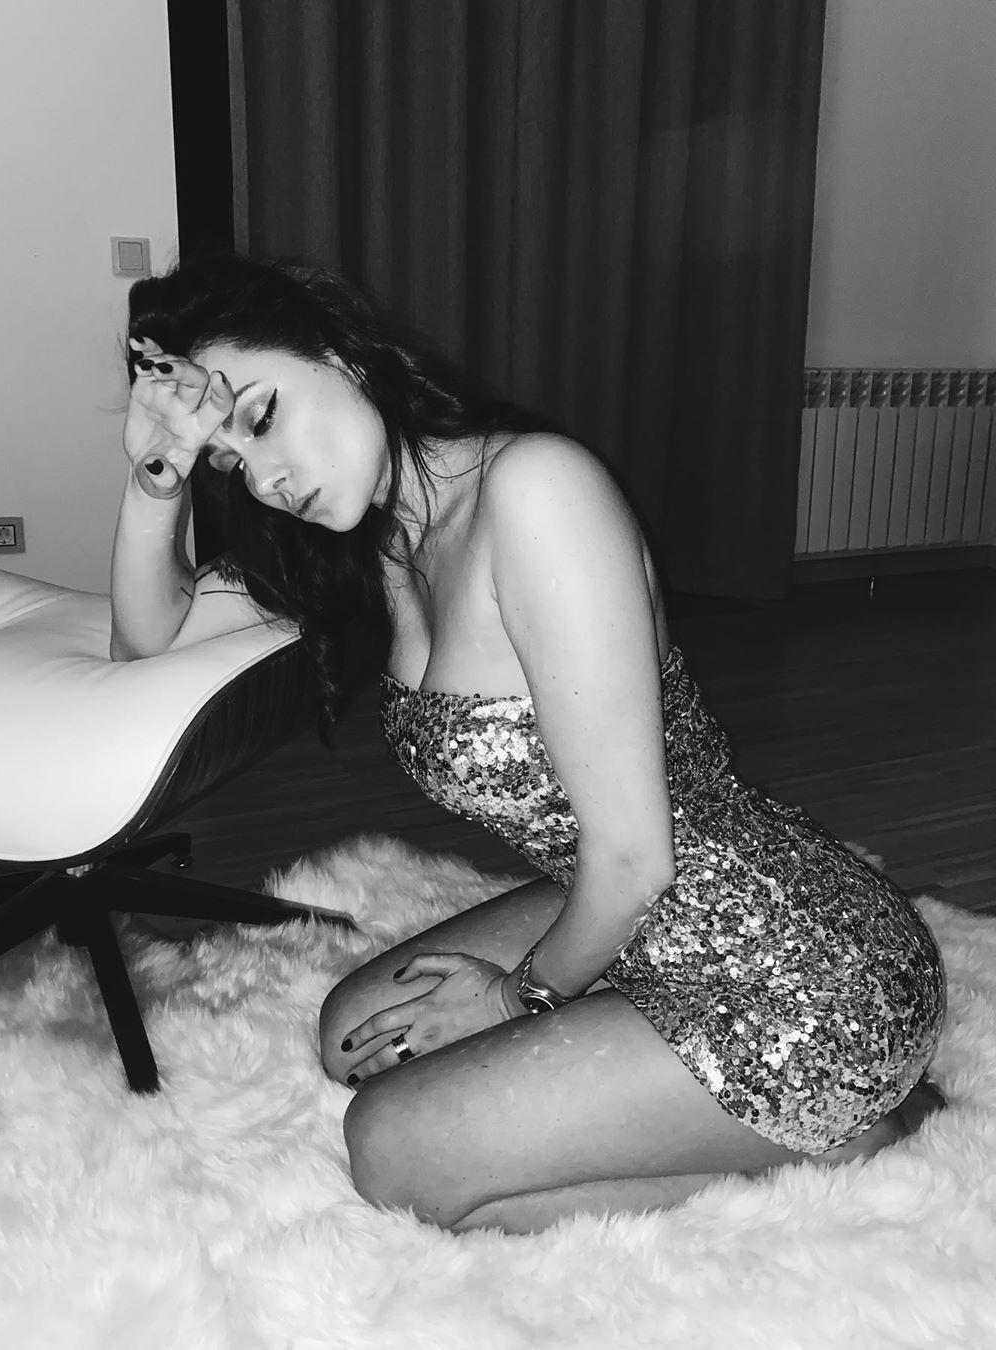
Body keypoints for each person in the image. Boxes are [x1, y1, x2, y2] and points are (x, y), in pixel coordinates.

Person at [112, 254, 946, 1236]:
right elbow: (146, 640)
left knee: (394, 1151)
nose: (265, 478)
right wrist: (157, 472)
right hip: (631, 909)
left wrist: (518, 999)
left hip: (797, 975)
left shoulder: (537, 491)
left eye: (260, 418)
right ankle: (684, 1079)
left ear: (342, 356)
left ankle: (848, 1133)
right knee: (356, 1035)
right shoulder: (374, 539)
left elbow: (636, 858)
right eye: (230, 465)